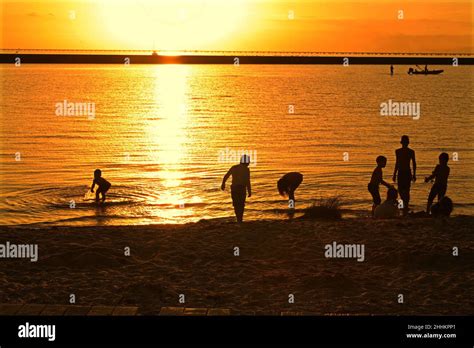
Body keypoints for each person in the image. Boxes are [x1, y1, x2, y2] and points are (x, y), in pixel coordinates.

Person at [221, 155, 252, 223]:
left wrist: (223, 183)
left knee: (236, 204)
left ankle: (238, 218)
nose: (249, 162)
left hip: (234, 188)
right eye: (248, 161)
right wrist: (249, 190)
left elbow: (226, 175)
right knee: (241, 204)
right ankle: (240, 219)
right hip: (241, 188)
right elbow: (247, 181)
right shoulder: (246, 170)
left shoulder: (234, 167)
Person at [393, 135, 416, 215]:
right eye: (404, 142)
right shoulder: (398, 151)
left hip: (406, 172)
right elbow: (397, 163)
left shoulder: (411, 152)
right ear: (402, 142)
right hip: (401, 172)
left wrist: (414, 174)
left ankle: (405, 205)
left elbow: (414, 163)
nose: (405, 143)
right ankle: (404, 204)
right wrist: (394, 174)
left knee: (406, 190)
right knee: (401, 190)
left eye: (405, 142)